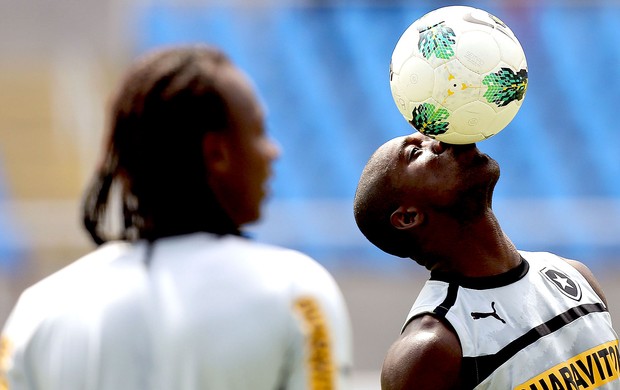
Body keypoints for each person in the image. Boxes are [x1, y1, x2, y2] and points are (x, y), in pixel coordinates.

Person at [0, 45, 352, 390]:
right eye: (259, 131)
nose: (273, 152)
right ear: (217, 154)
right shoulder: (297, 293)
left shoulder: (36, 314)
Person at [353, 132, 619, 389]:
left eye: (428, 138)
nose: (441, 141)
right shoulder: (431, 348)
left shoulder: (573, 274)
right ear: (409, 216)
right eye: (415, 152)